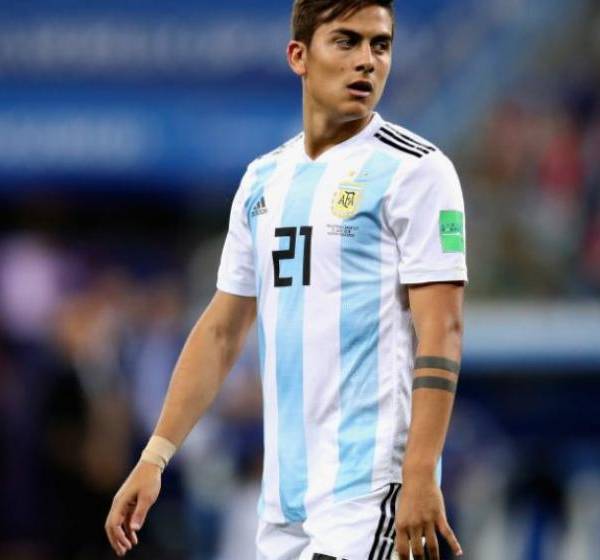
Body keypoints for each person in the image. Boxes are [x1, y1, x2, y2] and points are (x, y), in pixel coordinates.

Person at [105, 1, 468, 559]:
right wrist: (155, 456)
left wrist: (420, 471)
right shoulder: (263, 180)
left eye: (380, 45)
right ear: (299, 56)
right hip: (283, 503)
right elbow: (222, 330)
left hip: (370, 490)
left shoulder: (417, 171)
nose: (367, 60)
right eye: (346, 41)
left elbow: (442, 329)